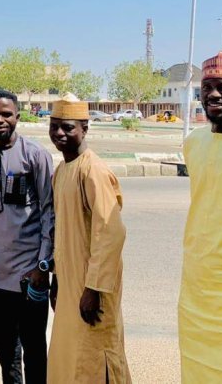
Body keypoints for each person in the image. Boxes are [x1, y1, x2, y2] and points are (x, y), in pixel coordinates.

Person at [47, 97, 130, 383]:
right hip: (71, 284)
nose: (59, 133)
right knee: (69, 358)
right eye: (54, 126)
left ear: (84, 128)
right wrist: (57, 279)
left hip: (92, 288)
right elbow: (64, 232)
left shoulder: (92, 170)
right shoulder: (61, 171)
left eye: (67, 128)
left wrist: (93, 288)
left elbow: (111, 233)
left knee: (94, 358)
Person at [0, 89, 54, 384]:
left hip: (29, 274)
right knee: (6, 351)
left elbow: (49, 211)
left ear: (17, 117)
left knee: (34, 349)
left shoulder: (35, 156)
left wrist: (42, 265)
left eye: (6, 114)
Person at [179, 51, 222, 382]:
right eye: (207, 87)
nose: (213, 95)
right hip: (197, 285)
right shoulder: (193, 143)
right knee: (196, 367)